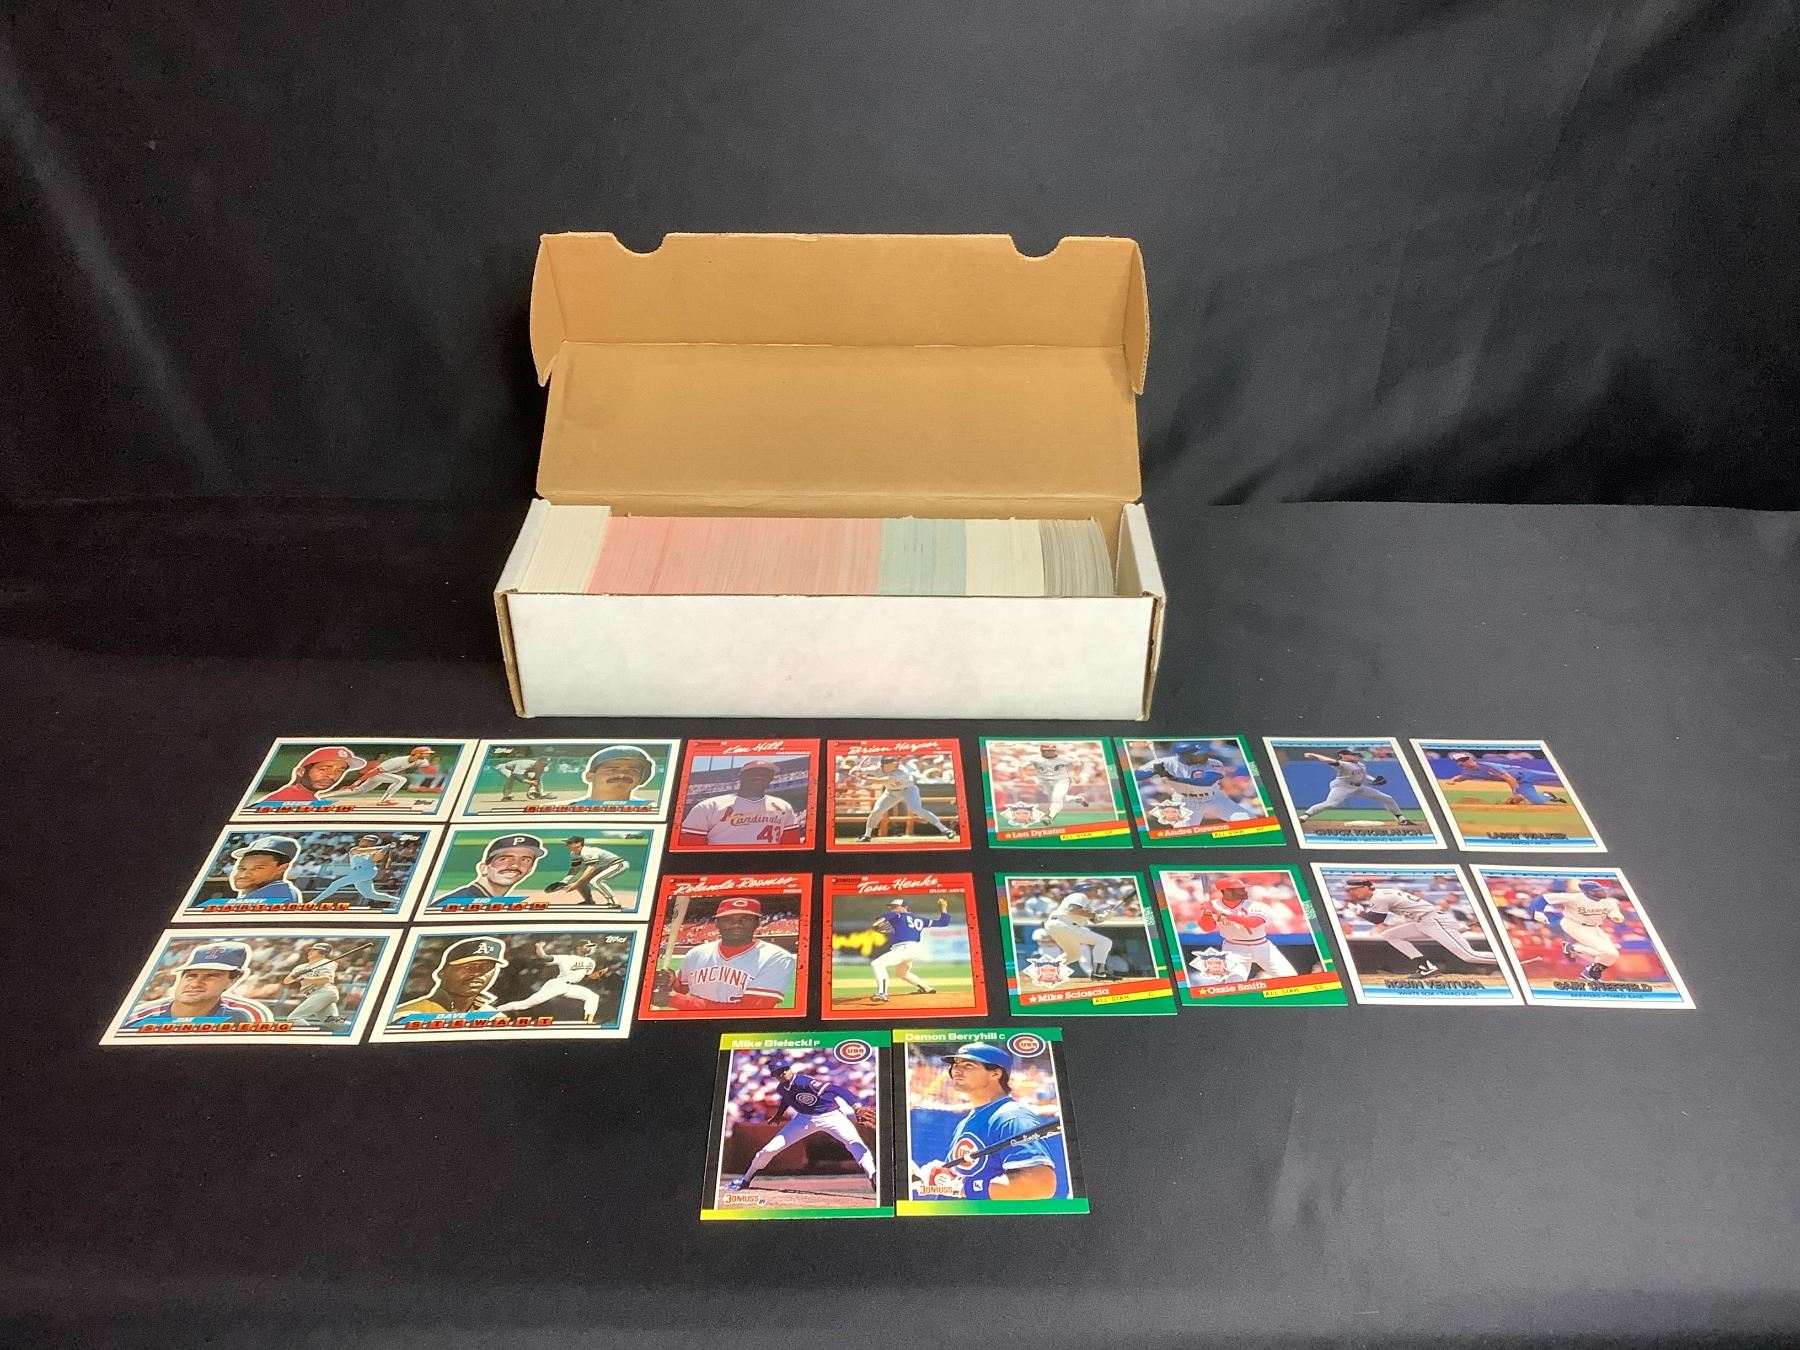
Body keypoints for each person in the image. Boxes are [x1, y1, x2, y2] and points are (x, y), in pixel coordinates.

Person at [913, 1043, 1060, 1202]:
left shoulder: (1012, 1116)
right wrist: (948, 1175)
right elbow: (973, 1176)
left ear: (996, 1073)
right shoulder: (965, 1122)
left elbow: (1039, 1185)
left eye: (968, 1065)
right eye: (955, 1064)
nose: (955, 1070)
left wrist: (963, 1187)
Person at [727, 1064, 878, 1194]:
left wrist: (856, 1107)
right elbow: (787, 1099)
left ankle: (874, 1177)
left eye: (785, 1069)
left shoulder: (804, 1081)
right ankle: (746, 1179)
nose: (783, 1073)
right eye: (779, 1072)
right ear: (775, 1076)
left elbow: (836, 1089)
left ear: (789, 1069)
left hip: (831, 1116)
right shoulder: (781, 1088)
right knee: (768, 1150)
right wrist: (779, 1115)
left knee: (854, 1143)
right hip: (804, 1119)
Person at [1343, 877, 1500, 979]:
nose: (1353, 892)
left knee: (1468, 956)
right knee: (1390, 935)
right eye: (1351, 890)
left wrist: (1360, 912)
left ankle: (1507, 960)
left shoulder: (1379, 897)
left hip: (1432, 920)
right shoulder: (1384, 893)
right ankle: (1426, 966)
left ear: (1368, 886)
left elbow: (1377, 919)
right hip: (1426, 921)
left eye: (1356, 888)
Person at [664, 896, 796, 1009]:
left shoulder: (776, 958)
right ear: (716, 923)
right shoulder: (696, 954)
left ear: (758, 923)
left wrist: (674, 1000)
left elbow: (750, 1011)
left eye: (746, 919)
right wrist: (669, 980)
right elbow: (681, 987)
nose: (736, 924)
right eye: (728, 920)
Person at [121, 942, 271, 1026]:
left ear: (233, 980)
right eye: (191, 975)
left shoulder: (246, 1014)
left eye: (211, 976)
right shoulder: (137, 1016)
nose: (195, 983)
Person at [678, 761, 802, 846]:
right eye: (754, 772)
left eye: (767, 773)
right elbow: (689, 846)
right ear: (741, 776)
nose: (760, 776)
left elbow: (790, 846)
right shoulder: (709, 806)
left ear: (771, 778)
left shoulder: (783, 806)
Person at [1192, 876, 1295, 979]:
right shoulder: (1213, 905)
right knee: (1235, 983)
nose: (1244, 891)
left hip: (1262, 946)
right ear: (1227, 891)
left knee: (1290, 978)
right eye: (1240, 889)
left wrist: (1219, 912)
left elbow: (1253, 923)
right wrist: (1207, 914)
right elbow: (1207, 928)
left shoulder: (1254, 905)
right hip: (1234, 948)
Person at [1137, 743, 1256, 822]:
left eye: (1203, 753)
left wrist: (1174, 778)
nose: (1203, 756)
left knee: (1249, 820)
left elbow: (1207, 781)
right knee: (1183, 834)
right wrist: (1153, 772)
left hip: (1213, 797)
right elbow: (1137, 775)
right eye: (1198, 755)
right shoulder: (1167, 762)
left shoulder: (1213, 763)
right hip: (1185, 801)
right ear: (1182, 755)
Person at [393, 935, 507, 1017]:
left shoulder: (495, 1017)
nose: (478, 972)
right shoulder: (405, 1016)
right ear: (441, 973)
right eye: (468, 966)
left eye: (487, 967)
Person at [1295, 749, 1412, 827]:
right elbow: (1329, 760)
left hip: (1358, 787)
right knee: (1330, 804)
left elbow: (1364, 775)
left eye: (1354, 754)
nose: (1354, 756)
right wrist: (1314, 755)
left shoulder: (1360, 764)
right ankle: (1304, 816)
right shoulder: (1342, 764)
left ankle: (1400, 819)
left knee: (1386, 798)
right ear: (1342, 756)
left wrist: (1373, 780)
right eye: (1351, 754)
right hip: (1342, 786)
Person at [853, 755, 957, 842]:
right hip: (891, 793)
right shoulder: (877, 769)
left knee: (916, 809)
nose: (897, 764)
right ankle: (867, 835)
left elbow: (882, 781)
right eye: (893, 763)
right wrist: (856, 770)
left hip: (908, 791)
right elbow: (860, 770)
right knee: (876, 811)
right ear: (885, 765)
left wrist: (863, 777)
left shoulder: (901, 772)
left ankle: (945, 830)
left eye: (896, 763)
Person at [1539, 878, 1626, 981]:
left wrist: (1616, 917)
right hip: (1576, 926)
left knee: (1613, 954)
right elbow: (1545, 899)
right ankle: (1574, 950)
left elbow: (1614, 913)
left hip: (1594, 928)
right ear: (1590, 892)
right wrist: (1538, 912)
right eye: (1599, 890)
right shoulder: (1574, 899)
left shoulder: (1607, 902)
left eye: (1602, 889)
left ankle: (1587, 971)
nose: (1603, 892)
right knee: (1606, 951)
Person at [496, 939, 604, 1022]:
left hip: (570, 987)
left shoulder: (591, 962)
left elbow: (584, 976)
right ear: (578, 948)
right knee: (526, 1004)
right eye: (587, 946)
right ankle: (498, 1009)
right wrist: (539, 947)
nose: (590, 948)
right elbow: (544, 957)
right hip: (558, 985)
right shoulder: (566, 958)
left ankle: (589, 1021)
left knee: (593, 997)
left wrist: (594, 976)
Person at [868, 895, 949, 1002]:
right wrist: (943, 908)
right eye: (891, 907)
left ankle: (882, 993)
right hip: (912, 948)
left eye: (895, 906)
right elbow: (943, 923)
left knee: (877, 964)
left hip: (904, 948)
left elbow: (881, 919)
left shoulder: (897, 915)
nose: (892, 909)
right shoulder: (920, 919)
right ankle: (926, 988)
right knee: (901, 973)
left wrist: (877, 923)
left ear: (905, 907)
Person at [193, 835, 302, 907]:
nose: (244, 874)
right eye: (242, 868)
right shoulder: (259, 893)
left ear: (281, 868)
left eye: (258, 868)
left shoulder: (278, 895)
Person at [437, 834, 545, 902]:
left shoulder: (488, 899)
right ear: (483, 868)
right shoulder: (458, 902)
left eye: (525, 860)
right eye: (504, 859)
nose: (515, 865)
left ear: (530, 869)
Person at [250, 746, 364, 807]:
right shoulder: (290, 798)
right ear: (301, 772)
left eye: (340, 771)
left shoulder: (297, 795)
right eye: (324, 769)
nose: (331, 775)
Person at [1441, 751, 1568, 805]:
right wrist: (1453, 780)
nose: (1464, 762)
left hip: (1525, 774)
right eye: (1461, 761)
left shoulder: (1487, 766)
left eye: (1465, 759)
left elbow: (1510, 779)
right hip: (1522, 783)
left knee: (1560, 777)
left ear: (1469, 759)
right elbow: (1462, 777)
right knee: (1538, 802)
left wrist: (1516, 794)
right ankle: (1548, 795)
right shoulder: (1469, 772)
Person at [325, 746, 436, 806]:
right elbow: (374, 772)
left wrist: (433, 770)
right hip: (377, 773)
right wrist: (357, 782)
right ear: (415, 753)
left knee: (358, 792)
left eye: (427, 753)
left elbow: (428, 769)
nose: (426, 755)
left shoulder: (422, 760)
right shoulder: (397, 761)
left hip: (384, 774)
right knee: (401, 780)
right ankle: (384, 801)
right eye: (424, 753)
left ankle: (327, 795)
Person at [312, 834, 400, 909]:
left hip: (367, 871)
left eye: (364, 840)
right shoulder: (354, 849)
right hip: (357, 872)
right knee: (370, 894)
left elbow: (377, 857)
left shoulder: (373, 852)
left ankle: (314, 902)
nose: (361, 841)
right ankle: (398, 900)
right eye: (361, 840)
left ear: (371, 842)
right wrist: (385, 846)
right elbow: (363, 851)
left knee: (335, 884)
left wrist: (385, 849)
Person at [547, 836, 628, 907]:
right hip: (604, 867)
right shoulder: (573, 853)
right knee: (581, 882)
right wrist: (564, 882)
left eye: (570, 842)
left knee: (595, 881)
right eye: (567, 842)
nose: (566, 844)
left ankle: (615, 902)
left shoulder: (587, 851)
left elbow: (591, 868)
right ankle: (589, 901)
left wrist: (576, 884)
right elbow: (575, 869)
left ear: (578, 844)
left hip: (617, 864)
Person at [570, 746, 658, 807]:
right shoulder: (568, 809)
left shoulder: (652, 810)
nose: (622, 775)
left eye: (633, 771)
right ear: (589, 777)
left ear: (641, 779)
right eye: (612, 770)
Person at [282, 942, 344, 1026]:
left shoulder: (327, 963)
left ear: (323, 952)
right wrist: (296, 974)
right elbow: (286, 981)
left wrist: (304, 979)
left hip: (324, 991)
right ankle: (358, 1028)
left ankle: (307, 1034)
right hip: (312, 994)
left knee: (294, 1018)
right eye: (310, 950)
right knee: (334, 1024)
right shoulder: (301, 967)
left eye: (314, 950)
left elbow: (325, 979)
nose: (310, 952)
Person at [1022, 743, 1088, 821]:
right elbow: (1022, 767)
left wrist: (1076, 775)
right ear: (1042, 751)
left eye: (1053, 750)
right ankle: (1078, 799)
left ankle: (1049, 816)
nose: (1051, 752)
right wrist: (1025, 776)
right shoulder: (1035, 759)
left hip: (1062, 779)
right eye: (1048, 750)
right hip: (1045, 781)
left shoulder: (1064, 758)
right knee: (1060, 798)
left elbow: (1077, 764)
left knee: (1057, 798)